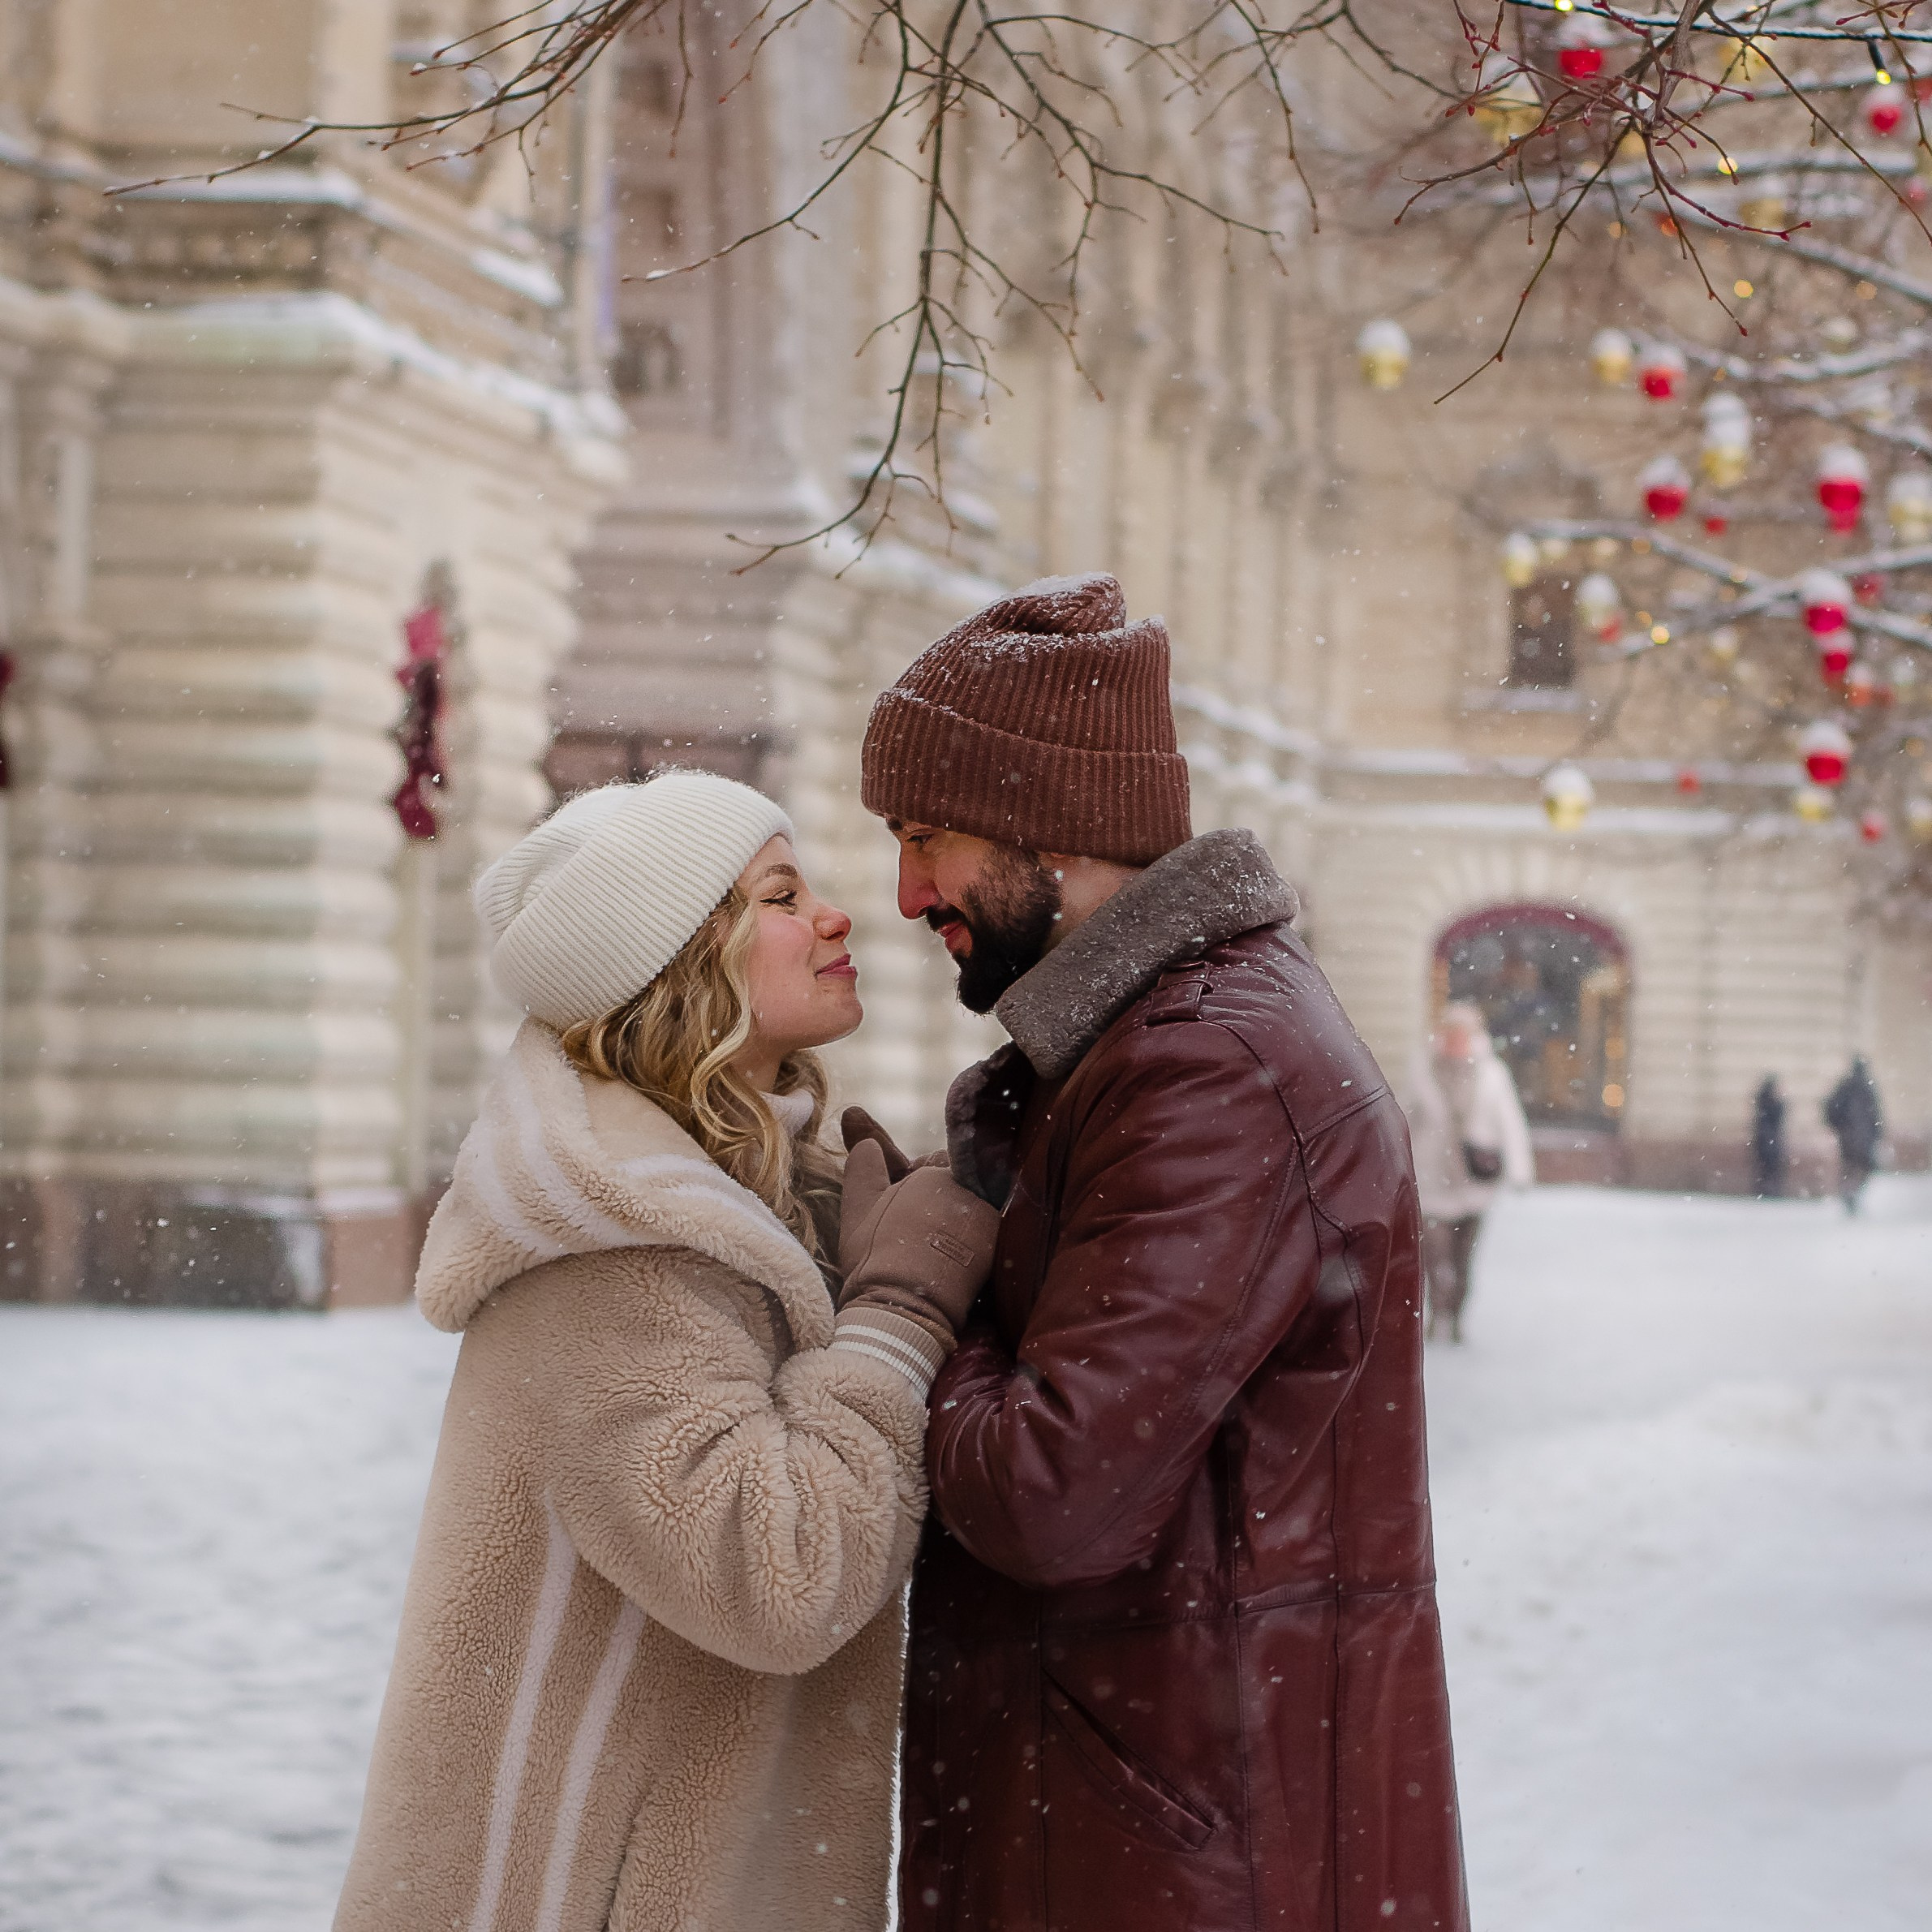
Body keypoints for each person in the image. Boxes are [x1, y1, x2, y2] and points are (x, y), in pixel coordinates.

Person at [855, 575, 1468, 1932]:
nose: (904, 893)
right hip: (1154, 1815)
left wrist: (908, 1293)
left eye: (928, 836)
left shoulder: (1206, 1068)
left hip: (1176, 1848)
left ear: (1046, 824)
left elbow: (1048, 1490)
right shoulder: (1154, 1049)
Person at [333, 772, 1000, 1932]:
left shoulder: (740, 1208)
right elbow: (779, 1574)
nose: (837, 915)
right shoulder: (607, 1251)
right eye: (782, 895)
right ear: (683, 965)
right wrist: (897, 1313)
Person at [1404, 1000, 1535, 1343]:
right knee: (1435, 1259)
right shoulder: (1423, 1071)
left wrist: (1520, 1170)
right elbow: (1403, 1120)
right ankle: (1437, 1313)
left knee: (1463, 1260)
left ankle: (1458, 1314)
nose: (1455, 1041)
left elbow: (1511, 1124)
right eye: (1450, 1034)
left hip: (1474, 1184)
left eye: (1463, 1035)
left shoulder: (1492, 1074)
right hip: (1431, 1180)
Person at [1823, 1055, 1884, 1215]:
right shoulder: (1865, 1087)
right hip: (1861, 1137)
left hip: (1850, 1136)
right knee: (1862, 1167)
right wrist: (1878, 1133)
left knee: (1852, 1167)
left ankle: (1849, 1193)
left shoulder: (1847, 1085)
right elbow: (1876, 1115)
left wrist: (1838, 1127)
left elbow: (1831, 1108)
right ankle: (1851, 1193)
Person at [1750, 1074, 1787, 1199]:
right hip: (1769, 1142)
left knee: (1765, 1170)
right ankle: (1769, 1191)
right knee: (1770, 1170)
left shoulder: (1762, 1102)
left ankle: (1766, 1191)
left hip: (1765, 1142)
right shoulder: (1770, 1104)